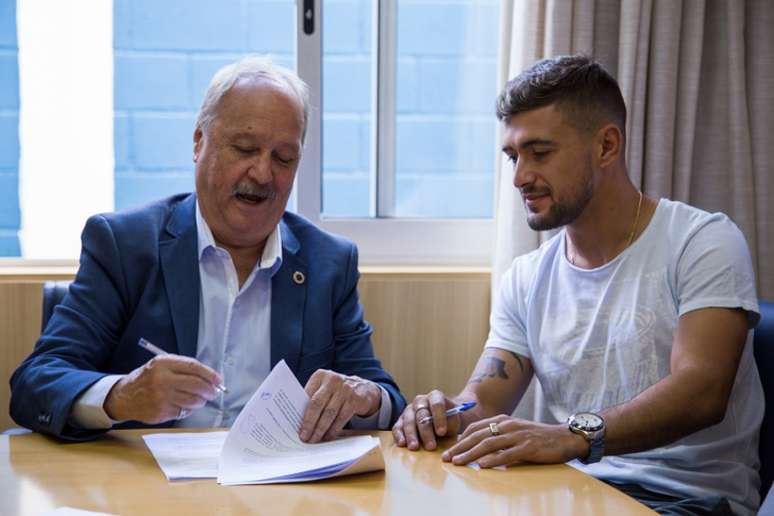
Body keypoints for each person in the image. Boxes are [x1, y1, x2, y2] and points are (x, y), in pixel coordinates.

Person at [392, 55, 762, 516]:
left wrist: (571, 434)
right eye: (513, 156)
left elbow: (702, 391)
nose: (520, 177)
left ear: (606, 146)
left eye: (540, 153)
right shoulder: (527, 277)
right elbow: (483, 399)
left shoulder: (703, 241)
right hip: (574, 493)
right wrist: (442, 414)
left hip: (687, 498)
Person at [10, 56, 406, 443]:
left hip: (279, 495)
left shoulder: (329, 263)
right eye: (245, 148)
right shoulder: (125, 245)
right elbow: (36, 382)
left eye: (283, 158)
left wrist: (366, 398)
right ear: (199, 141)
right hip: (146, 492)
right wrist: (122, 396)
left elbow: (383, 397)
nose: (263, 174)